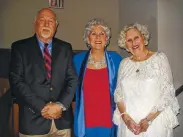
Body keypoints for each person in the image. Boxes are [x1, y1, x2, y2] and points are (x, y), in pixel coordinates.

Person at [9, 8, 77, 137]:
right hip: (32, 122)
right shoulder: (20, 48)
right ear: (35, 23)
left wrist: (59, 105)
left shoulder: (65, 48)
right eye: (42, 20)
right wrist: (43, 107)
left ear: (56, 26)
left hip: (61, 122)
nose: (46, 24)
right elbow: (17, 82)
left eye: (50, 21)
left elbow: (72, 79)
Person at [113, 23, 180, 137]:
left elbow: (167, 92)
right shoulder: (124, 64)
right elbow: (118, 93)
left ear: (143, 38)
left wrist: (148, 120)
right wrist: (125, 117)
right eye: (129, 40)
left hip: (154, 123)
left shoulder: (159, 59)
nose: (133, 43)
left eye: (136, 38)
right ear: (125, 45)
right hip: (130, 125)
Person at [73, 18, 122, 137]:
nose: (98, 37)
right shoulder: (77, 60)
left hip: (109, 120)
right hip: (85, 121)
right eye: (93, 33)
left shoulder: (116, 59)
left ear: (106, 39)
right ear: (88, 39)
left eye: (102, 34)